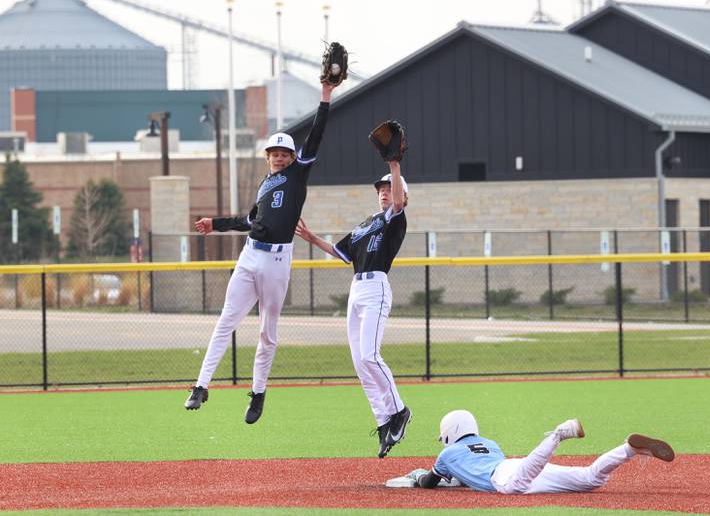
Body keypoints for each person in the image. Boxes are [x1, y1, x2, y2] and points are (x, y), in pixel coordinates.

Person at [184, 78, 339, 424]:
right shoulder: (266, 183)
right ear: (268, 157)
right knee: (226, 320)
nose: (280, 158)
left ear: (292, 157)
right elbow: (248, 221)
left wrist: (326, 96)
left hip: (278, 260)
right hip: (250, 254)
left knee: (268, 331)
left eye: (285, 154)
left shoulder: (298, 174)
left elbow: (316, 134)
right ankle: (201, 386)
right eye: (275, 154)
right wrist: (216, 225)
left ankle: (257, 393)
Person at [293, 158, 411, 458]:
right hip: (357, 289)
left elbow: (397, 201)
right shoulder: (366, 224)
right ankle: (384, 421)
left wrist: (394, 165)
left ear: (401, 196)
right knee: (360, 362)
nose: (385, 192)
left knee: (371, 355)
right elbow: (340, 252)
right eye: (381, 188)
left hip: (376, 288)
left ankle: (399, 411)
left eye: (390, 188)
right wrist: (312, 238)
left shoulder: (395, 218)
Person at [407, 410, 675, 493]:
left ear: (450, 432)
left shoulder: (447, 455)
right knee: (589, 479)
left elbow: (430, 483)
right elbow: (465, 475)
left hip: (504, 478)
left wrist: (419, 477)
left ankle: (559, 433)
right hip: (515, 465)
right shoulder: (490, 443)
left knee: (515, 486)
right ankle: (629, 448)